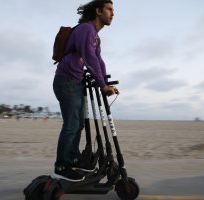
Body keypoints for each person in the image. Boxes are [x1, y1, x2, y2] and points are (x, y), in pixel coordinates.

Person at [52, 0, 118, 182]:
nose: (113, 13)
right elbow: (89, 58)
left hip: (76, 82)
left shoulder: (95, 36)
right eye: (109, 9)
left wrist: (105, 82)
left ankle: (72, 158)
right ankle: (61, 166)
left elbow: (98, 61)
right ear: (98, 11)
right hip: (66, 81)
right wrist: (102, 84)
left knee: (79, 124)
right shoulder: (86, 29)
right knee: (71, 124)